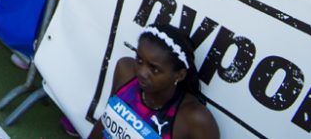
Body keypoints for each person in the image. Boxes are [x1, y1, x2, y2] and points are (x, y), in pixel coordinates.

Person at [87, 24, 220, 139]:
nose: (142, 73)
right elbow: (105, 121)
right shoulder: (125, 71)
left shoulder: (195, 119)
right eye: (139, 60)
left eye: (154, 69)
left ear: (179, 75)